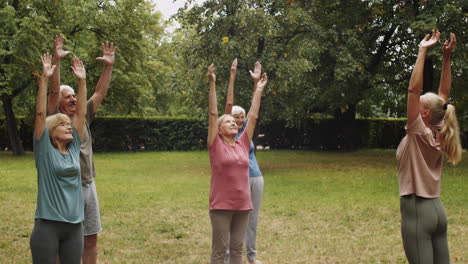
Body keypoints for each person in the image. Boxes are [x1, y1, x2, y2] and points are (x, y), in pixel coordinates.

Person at [47, 35, 116, 264]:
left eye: (75, 96)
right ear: (59, 103)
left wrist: (108, 66)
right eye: (69, 97)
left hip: (88, 184)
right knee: (64, 242)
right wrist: (56, 61)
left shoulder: (83, 115)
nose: (74, 99)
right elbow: (53, 92)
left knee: (90, 240)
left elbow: (100, 93)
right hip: (66, 187)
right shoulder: (55, 120)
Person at [396, 31, 462, 264]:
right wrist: (446, 58)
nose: (417, 99)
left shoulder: (417, 132)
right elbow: (443, 97)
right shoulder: (442, 128)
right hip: (437, 210)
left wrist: (423, 49)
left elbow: (413, 90)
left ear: (422, 113)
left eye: (420, 102)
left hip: (417, 210)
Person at [207, 63, 268, 264]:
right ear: (219, 129)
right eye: (228, 121)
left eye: (234, 121)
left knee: (236, 250)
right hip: (221, 206)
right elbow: (213, 114)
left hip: (243, 205)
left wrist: (258, 89)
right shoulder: (215, 145)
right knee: (219, 251)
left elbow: (252, 116)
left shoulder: (243, 143)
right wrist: (212, 83)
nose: (233, 122)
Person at [30, 53, 87, 264]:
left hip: (75, 226)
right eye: (63, 124)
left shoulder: (73, 149)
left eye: (68, 124)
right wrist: (44, 79)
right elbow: (39, 115)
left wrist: (82, 82)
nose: (69, 125)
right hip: (48, 225)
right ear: (52, 131)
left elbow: (80, 115)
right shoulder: (44, 150)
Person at [224, 59, 264, 264]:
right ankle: (230, 256)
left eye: (241, 117)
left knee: (252, 221)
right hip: (236, 182)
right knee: (234, 220)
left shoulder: (246, 131)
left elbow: (253, 110)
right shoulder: (227, 134)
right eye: (235, 117)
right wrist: (232, 74)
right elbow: (226, 108)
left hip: (255, 177)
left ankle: (252, 257)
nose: (239, 120)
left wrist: (256, 84)